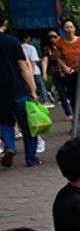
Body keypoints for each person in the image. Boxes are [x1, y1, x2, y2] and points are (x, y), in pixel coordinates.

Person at [0, 12, 39, 168]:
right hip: (16, 89)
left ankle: (9, 147)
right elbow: (23, 67)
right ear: (4, 22)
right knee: (27, 124)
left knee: (4, 122)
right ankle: (31, 158)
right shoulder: (12, 41)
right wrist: (33, 90)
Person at [54, 16, 80, 118]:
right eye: (66, 27)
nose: (69, 30)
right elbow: (58, 58)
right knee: (73, 98)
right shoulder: (60, 42)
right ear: (63, 29)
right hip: (71, 73)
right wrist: (64, 67)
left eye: (71, 27)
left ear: (75, 28)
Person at [19, 32, 49, 106]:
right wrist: (31, 72)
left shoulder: (18, 47)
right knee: (40, 85)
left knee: (28, 87)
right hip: (35, 71)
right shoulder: (31, 48)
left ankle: (32, 101)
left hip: (23, 71)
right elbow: (33, 61)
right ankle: (45, 100)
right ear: (25, 39)